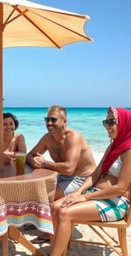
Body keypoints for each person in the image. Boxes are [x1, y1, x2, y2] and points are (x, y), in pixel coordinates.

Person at [49, 107, 131, 256]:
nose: (107, 126)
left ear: (124, 123)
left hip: (116, 202)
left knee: (64, 213)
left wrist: (84, 197)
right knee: (54, 207)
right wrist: (78, 192)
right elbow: (96, 174)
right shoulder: (113, 146)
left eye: (111, 122)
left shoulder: (129, 150)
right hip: (97, 194)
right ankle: (58, 253)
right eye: (105, 122)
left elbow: (121, 188)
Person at [27, 105, 96, 200]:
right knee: (31, 189)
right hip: (62, 176)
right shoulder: (47, 138)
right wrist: (32, 161)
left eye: (53, 120)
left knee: (44, 196)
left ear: (64, 121)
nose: (49, 123)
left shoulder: (73, 137)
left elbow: (69, 169)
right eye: (47, 119)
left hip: (82, 179)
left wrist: (44, 163)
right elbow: (29, 155)